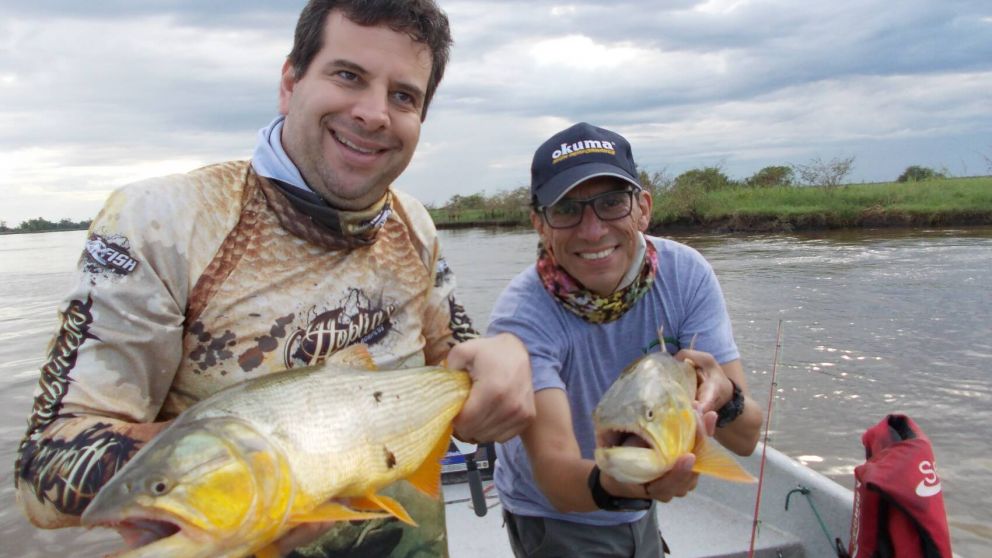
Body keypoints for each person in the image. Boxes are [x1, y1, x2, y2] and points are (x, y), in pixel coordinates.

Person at [14, 1, 534, 556]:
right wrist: (257, 469)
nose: (375, 113)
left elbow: (451, 358)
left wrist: (496, 362)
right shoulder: (162, 222)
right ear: (290, 83)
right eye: (348, 75)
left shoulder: (414, 224)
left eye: (403, 96)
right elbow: (45, 465)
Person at [487, 122, 763, 557]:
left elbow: (746, 439)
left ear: (643, 209)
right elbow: (556, 472)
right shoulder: (522, 317)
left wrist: (725, 397)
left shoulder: (686, 275)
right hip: (559, 514)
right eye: (566, 209)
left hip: (639, 484)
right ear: (540, 224)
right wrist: (623, 486)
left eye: (612, 203)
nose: (593, 230)